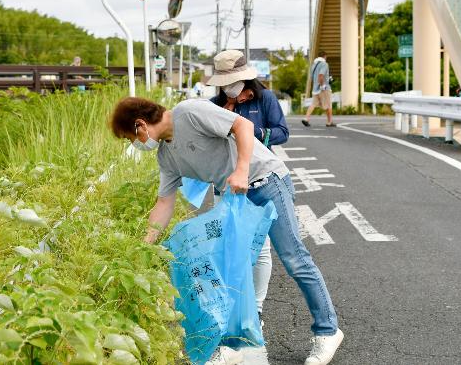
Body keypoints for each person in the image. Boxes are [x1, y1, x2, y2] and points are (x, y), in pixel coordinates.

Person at [110, 96, 344, 365]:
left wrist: (242, 169)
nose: (135, 144)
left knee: (293, 258)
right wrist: (146, 243)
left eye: (131, 137)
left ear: (140, 125)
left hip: (266, 181)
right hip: (235, 199)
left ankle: (328, 331)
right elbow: (165, 202)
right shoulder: (166, 155)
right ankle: (233, 344)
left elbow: (242, 125)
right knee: (229, 270)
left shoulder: (189, 112)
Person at [207, 49, 289, 323]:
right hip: (225, 181)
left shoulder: (265, 99)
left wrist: (255, 132)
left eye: (232, 82)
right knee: (227, 244)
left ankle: (256, 307)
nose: (228, 88)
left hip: (259, 179)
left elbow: (282, 132)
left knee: (261, 245)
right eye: (223, 83)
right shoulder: (214, 104)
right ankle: (230, 304)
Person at [302, 52, 335, 127]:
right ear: (324, 57)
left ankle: (306, 118)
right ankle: (329, 122)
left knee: (313, 104)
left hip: (315, 89)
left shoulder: (313, 65)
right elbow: (321, 75)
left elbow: (312, 77)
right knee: (328, 105)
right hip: (323, 88)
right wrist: (323, 85)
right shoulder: (324, 64)